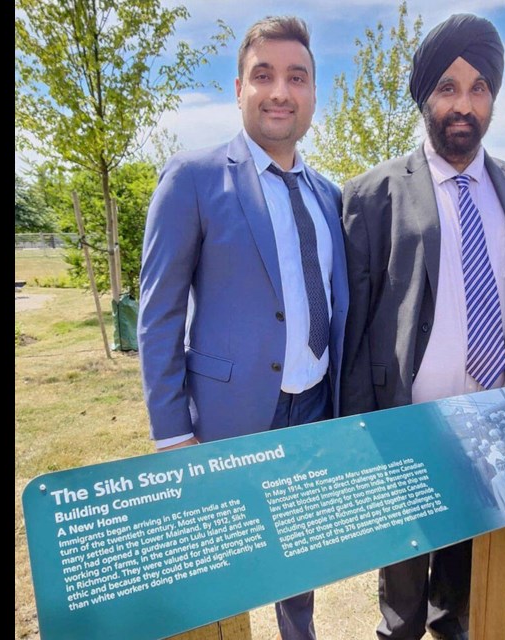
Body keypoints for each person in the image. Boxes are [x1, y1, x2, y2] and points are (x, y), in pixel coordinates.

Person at [340, 13, 505, 640]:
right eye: (448, 88)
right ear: (425, 96)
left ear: (494, 97)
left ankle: (449, 622)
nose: (464, 104)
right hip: (407, 419)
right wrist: (358, 429)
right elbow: (356, 324)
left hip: (495, 417)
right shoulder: (371, 195)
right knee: (404, 579)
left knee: (465, 569)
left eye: (479, 87)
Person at [137, 16, 347, 640]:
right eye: (264, 76)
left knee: (298, 556)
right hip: (225, 416)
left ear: (313, 93)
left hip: (314, 407)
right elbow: (158, 314)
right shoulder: (193, 178)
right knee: (224, 571)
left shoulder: (330, 195)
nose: (280, 90)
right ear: (238, 89)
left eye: (296, 77)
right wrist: (172, 434)